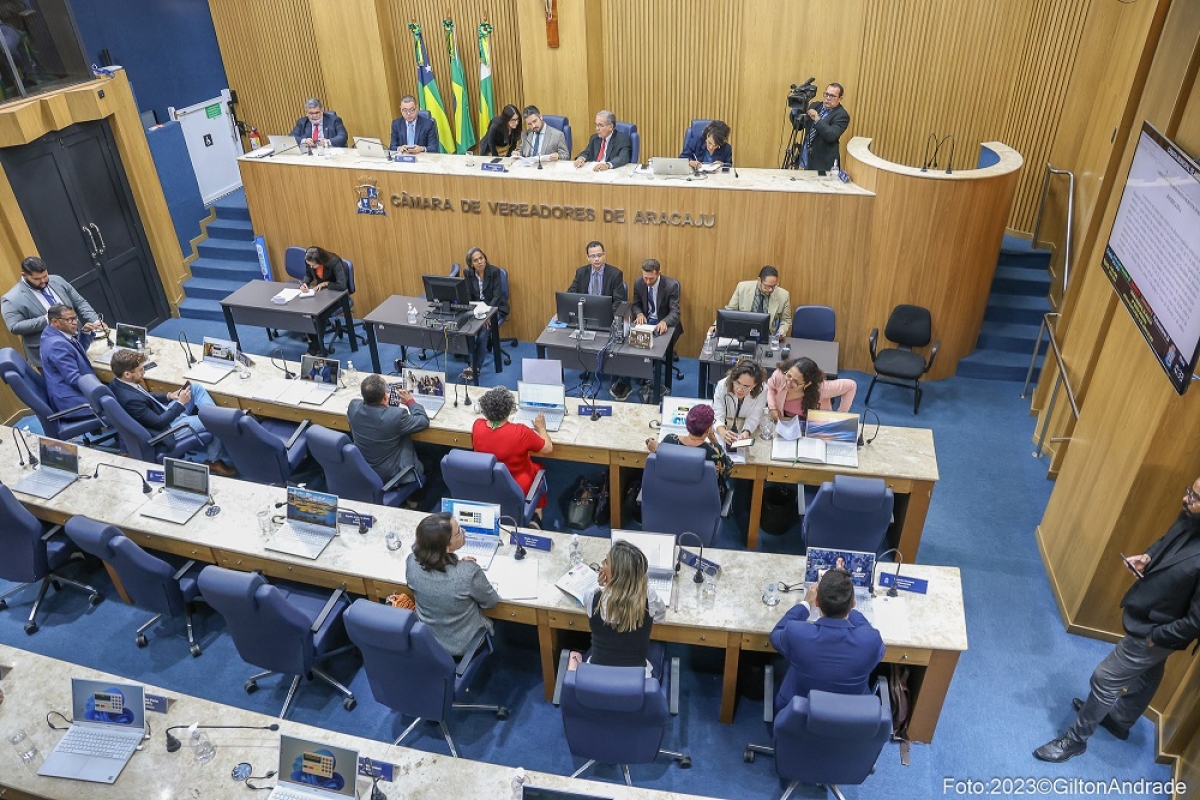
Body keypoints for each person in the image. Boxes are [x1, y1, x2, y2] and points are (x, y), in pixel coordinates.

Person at [1034, 478, 1200, 763]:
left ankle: (1075, 741)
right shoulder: (1191, 517)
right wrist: (1148, 557)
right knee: (1150, 671)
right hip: (1151, 613)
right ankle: (1120, 720)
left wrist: (1156, 637)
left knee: (1105, 678)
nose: (1186, 500)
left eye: (1195, 498)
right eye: (1190, 491)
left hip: (1159, 629)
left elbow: (1196, 621)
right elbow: (1167, 542)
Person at [770, 568, 885, 715]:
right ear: (854, 604)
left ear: (817, 602)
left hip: (799, 719)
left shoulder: (796, 634)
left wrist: (805, 604)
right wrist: (845, 606)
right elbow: (878, 649)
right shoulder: (871, 640)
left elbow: (776, 635)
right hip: (851, 720)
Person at [108, 348, 236, 476]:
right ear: (127, 374)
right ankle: (213, 461)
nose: (144, 372)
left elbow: (144, 396)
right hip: (166, 430)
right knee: (214, 422)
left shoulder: (118, 382)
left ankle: (212, 415)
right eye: (141, 370)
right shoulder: (130, 400)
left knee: (194, 388)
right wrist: (180, 403)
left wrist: (168, 396)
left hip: (162, 412)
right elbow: (159, 423)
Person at [405, 512, 500, 658]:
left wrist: (457, 564)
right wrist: (464, 569)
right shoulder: (468, 572)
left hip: (428, 642)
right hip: (464, 647)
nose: (464, 532)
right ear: (447, 549)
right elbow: (491, 602)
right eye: (459, 532)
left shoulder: (411, 562)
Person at [568, 539, 667, 677]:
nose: (602, 565)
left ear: (616, 574)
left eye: (606, 562)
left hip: (596, 680)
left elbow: (591, 604)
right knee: (659, 646)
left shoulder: (593, 596)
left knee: (581, 650)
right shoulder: (648, 596)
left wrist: (601, 586)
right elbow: (660, 616)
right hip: (636, 683)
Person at [3, 256, 104, 370]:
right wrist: (47, 319)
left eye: (45, 276)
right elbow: (14, 327)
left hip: (78, 342)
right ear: (24, 275)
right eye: (37, 279)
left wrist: (95, 319)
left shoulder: (57, 280)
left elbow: (79, 302)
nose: (43, 282)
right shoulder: (11, 299)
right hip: (49, 354)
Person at [472, 385, 552, 526]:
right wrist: (541, 428)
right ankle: (535, 517)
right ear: (509, 410)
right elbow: (547, 448)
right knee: (538, 469)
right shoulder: (520, 432)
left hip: (488, 484)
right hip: (519, 486)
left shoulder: (477, 426)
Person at [566, 241, 629, 397]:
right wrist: (563, 310)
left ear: (604, 255)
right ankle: (587, 365)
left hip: (606, 319)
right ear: (588, 258)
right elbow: (571, 295)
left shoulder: (615, 274)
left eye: (600, 255)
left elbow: (618, 301)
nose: (597, 259)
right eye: (593, 256)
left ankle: (614, 372)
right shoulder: (581, 273)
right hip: (585, 319)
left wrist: (606, 317)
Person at [347, 373, 430, 491]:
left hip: (365, 467)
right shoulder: (396, 416)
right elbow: (423, 421)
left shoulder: (353, 407)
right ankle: (415, 499)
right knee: (431, 461)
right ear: (385, 398)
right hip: (390, 474)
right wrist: (410, 402)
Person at [645, 403, 733, 504]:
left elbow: (664, 462)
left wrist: (657, 449)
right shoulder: (715, 452)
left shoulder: (669, 441)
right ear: (708, 429)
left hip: (668, 503)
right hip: (701, 507)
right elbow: (727, 471)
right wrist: (714, 440)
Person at [630, 259, 682, 399]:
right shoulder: (638, 282)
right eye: (645, 278)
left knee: (656, 349)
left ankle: (657, 383)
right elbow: (635, 305)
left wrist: (665, 321)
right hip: (646, 322)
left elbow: (675, 312)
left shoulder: (671, 286)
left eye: (651, 279)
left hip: (663, 324)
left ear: (659, 273)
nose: (647, 282)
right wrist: (639, 313)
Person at [38, 304, 99, 416]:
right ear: (55, 322)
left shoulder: (50, 333)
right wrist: (101, 391)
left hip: (68, 393)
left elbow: (73, 352)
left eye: (75, 318)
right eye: (70, 320)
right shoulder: (57, 344)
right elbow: (74, 379)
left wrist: (85, 333)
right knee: (121, 399)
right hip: (73, 402)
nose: (75, 322)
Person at [461, 247, 510, 381]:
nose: (480, 262)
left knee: (483, 333)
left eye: (481, 258)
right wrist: (473, 312)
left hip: (496, 308)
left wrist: (488, 315)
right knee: (467, 329)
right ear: (471, 264)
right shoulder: (468, 273)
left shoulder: (495, 272)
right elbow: (468, 295)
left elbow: (497, 296)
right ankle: (469, 357)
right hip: (477, 309)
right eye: (476, 260)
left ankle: (475, 367)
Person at [766, 356, 857, 422]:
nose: (789, 383)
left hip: (813, 426)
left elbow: (851, 386)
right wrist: (772, 407)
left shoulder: (823, 389)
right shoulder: (780, 375)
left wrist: (839, 416)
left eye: (796, 382)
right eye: (789, 375)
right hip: (786, 421)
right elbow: (770, 387)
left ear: (807, 384)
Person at [300, 246, 348, 355]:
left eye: (313, 265)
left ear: (321, 261)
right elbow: (308, 275)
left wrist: (326, 283)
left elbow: (342, 285)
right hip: (321, 293)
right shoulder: (310, 263)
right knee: (306, 312)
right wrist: (305, 284)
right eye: (309, 265)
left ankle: (315, 347)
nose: (311, 267)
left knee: (319, 315)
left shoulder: (334, 262)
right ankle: (314, 342)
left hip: (338, 295)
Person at [720, 266, 792, 337]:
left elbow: (786, 320)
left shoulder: (783, 295)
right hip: (742, 334)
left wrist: (782, 331)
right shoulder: (742, 288)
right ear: (759, 280)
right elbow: (729, 311)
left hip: (768, 336)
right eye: (767, 286)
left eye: (774, 286)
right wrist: (715, 325)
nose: (771, 290)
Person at [713, 359, 768, 445]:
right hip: (727, 423)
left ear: (755, 385)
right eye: (738, 383)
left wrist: (746, 431)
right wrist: (722, 431)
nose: (739, 390)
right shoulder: (722, 386)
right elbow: (717, 414)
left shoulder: (763, 390)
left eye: (746, 386)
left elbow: (755, 416)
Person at [801, 83, 849, 172]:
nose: (828, 98)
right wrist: (796, 110)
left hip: (823, 163)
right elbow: (799, 126)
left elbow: (831, 135)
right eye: (826, 94)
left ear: (840, 98)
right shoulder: (815, 106)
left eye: (832, 96)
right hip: (807, 156)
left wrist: (817, 119)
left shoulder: (842, 115)